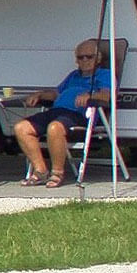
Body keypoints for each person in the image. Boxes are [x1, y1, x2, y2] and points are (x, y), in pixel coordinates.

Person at [12, 39, 112, 188]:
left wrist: (91, 96)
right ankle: (41, 171)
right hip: (57, 111)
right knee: (21, 128)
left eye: (89, 57)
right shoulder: (73, 76)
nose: (84, 60)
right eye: (80, 57)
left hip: (79, 115)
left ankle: (57, 173)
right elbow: (56, 94)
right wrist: (39, 95)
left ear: (98, 58)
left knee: (55, 128)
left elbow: (107, 96)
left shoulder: (105, 75)